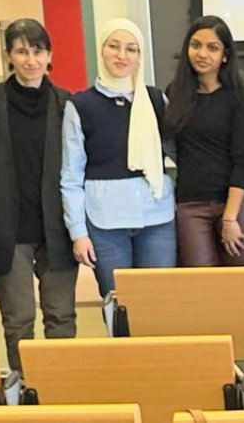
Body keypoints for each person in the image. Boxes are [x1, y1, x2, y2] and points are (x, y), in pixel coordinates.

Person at [0, 19, 77, 372]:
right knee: (18, 321)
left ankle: (63, 388)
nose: (31, 60)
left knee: (61, 317)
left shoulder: (67, 103)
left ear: (50, 56)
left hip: (56, 227)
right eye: (22, 51)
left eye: (38, 51)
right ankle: (27, 391)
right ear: (8, 56)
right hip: (8, 228)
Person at [65, 19, 177, 297]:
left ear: (140, 56)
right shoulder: (80, 105)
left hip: (157, 218)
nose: (122, 55)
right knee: (119, 306)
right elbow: (70, 176)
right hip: (105, 221)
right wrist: (78, 232)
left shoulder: (155, 99)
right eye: (113, 46)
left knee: (159, 303)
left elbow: (179, 151)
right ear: (101, 50)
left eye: (131, 49)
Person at [166, 16, 244, 267]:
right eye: (196, 45)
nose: (202, 53)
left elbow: (243, 161)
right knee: (202, 290)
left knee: (238, 289)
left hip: (237, 205)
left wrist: (230, 219)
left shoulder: (241, 98)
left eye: (212, 47)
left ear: (225, 55)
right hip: (191, 204)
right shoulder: (174, 94)